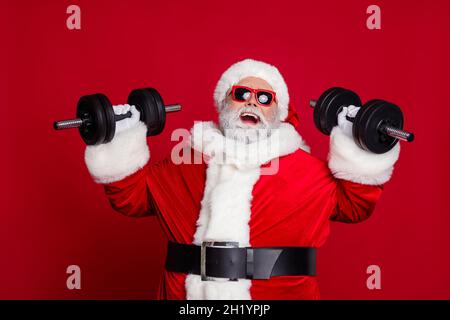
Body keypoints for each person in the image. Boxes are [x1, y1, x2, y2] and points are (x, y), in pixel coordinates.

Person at [84, 59, 400, 300]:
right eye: (242, 94)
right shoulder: (183, 164)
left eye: (265, 98)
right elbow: (131, 199)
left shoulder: (308, 171)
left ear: (279, 113)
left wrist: (362, 142)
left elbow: (355, 206)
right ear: (223, 103)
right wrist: (117, 134)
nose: (252, 102)